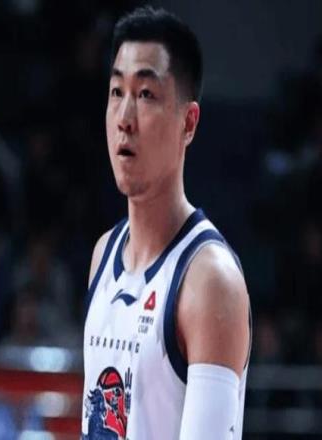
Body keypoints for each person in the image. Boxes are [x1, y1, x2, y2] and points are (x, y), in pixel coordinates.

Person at [82, 7, 251, 440]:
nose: (124, 118)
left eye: (145, 94)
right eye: (116, 91)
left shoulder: (210, 281)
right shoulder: (103, 255)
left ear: (188, 123)